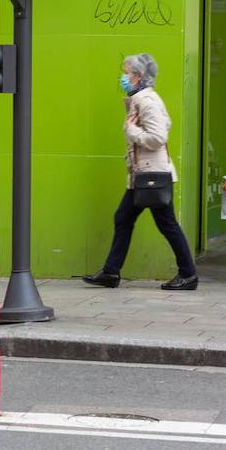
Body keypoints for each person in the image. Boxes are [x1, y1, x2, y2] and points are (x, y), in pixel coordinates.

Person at [84, 54, 198, 291]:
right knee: (123, 218)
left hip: (152, 175)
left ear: (138, 76)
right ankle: (111, 271)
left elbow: (158, 137)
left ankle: (188, 274)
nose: (123, 77)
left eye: (126, 72)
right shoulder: (141, 99)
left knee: (167, 224)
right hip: (143, 175)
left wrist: (132, 132)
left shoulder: (147, 101)